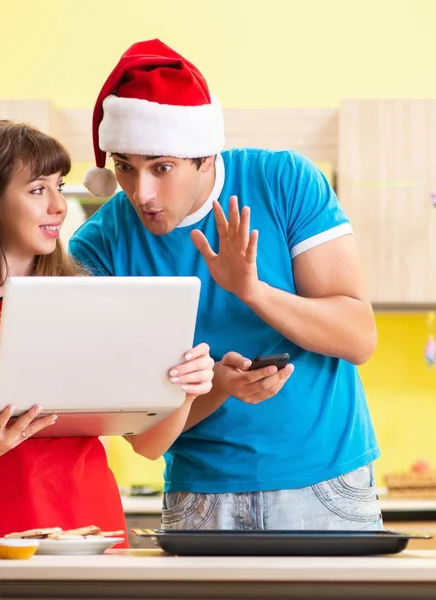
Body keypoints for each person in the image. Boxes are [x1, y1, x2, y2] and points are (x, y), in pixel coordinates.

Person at [69, 39, 383, 531]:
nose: (141, 193)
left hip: (324, 486)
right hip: (200, 498)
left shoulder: (285, 181)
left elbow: (358, 337)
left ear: (206, 157)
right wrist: (218, 385)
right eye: (124, 168)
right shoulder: (99, 245)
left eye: (162, 167)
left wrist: (252, 290)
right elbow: (142, 438)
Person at [0, 120, 214, 543]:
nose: (59, 206)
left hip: (84, 530)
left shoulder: (90, 295)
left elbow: (148, 445)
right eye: (38, 189)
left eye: (59, 186)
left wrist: (187, 392)